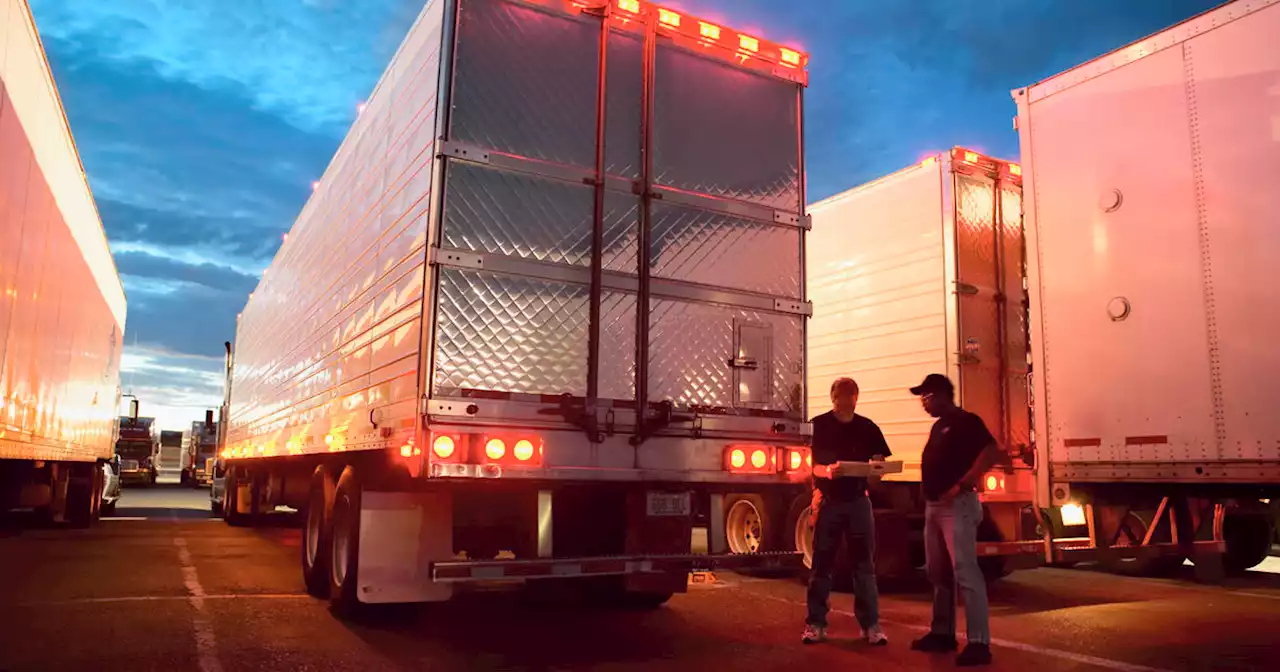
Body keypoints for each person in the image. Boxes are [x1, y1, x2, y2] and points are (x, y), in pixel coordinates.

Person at [908, 374, 1000, 667]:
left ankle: (979, 643)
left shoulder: (966, 422)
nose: (923, 402)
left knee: (965, 572)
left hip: (957, 506)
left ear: (940, 395)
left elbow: (991, 451)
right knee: (939, 573)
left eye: (925, 396)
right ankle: (942, 632)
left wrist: (964, 484)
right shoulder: (939, 427)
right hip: (934, 508)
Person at [802, 377, 890, 646]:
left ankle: (870, 625)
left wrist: (877, 470)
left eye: (851, 394)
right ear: (832, 397)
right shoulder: (818, 426)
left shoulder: (868, 427)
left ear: (857, 397)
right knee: (822, 563)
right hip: (830, 500)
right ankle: (815, 624)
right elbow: (809, 466)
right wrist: (827, 472)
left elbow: (879, 464)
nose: (846, 399)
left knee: (864, 565)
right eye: (841, 394)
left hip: (858, 501)